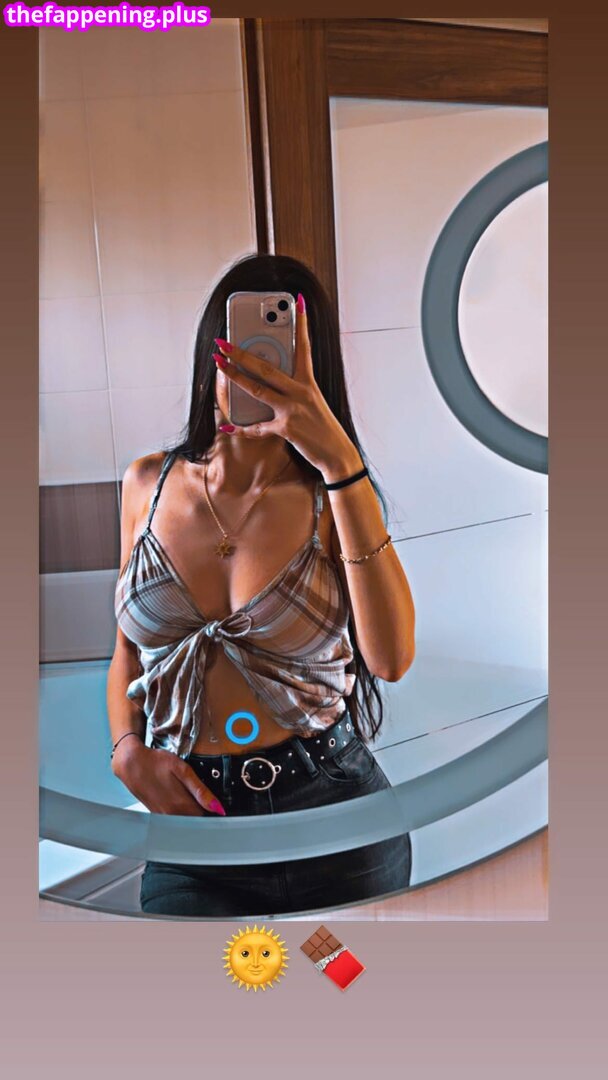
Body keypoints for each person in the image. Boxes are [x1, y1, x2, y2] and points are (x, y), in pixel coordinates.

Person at [107, 253, 416, 917]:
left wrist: (340, 461)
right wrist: (126, 749)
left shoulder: (335, 497)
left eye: (279, 359)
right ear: (211, 357)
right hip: (196, 832)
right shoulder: (145, 484)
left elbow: (391, 660)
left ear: (314, 372)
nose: (259, 375)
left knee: (341, 981)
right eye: (243, 353)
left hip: (336, 819)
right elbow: (129, 652)